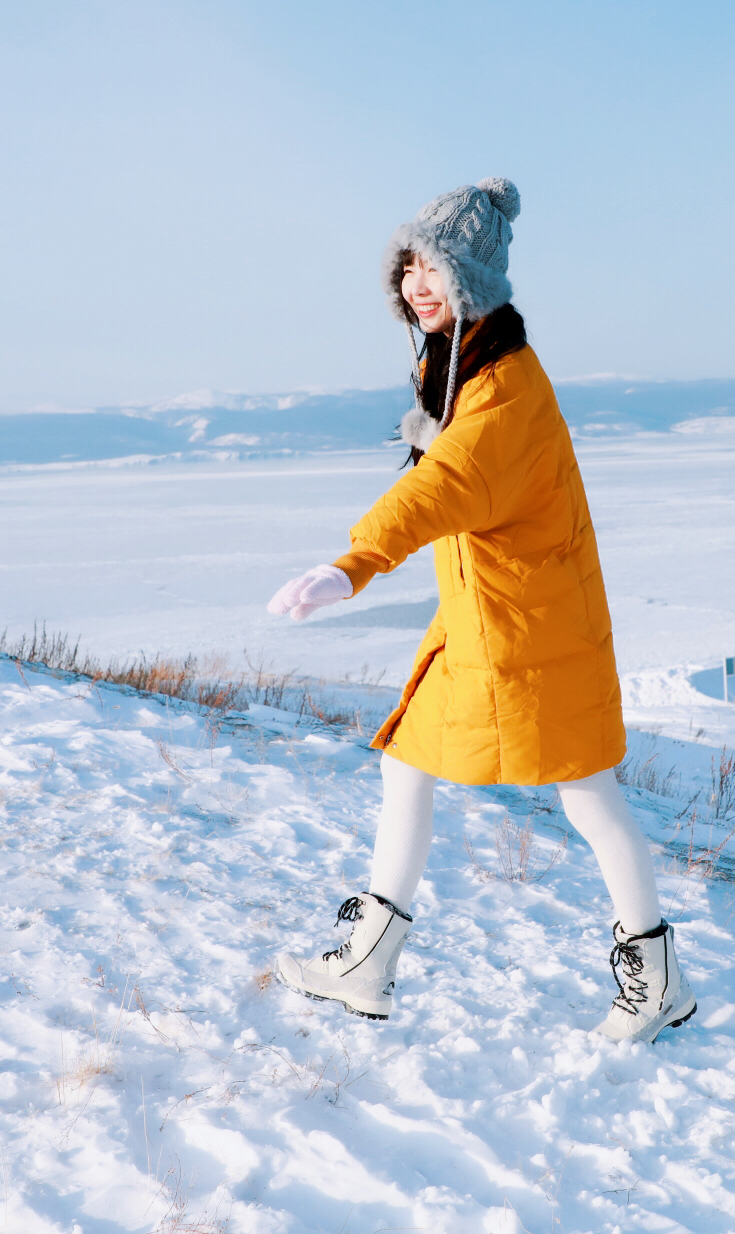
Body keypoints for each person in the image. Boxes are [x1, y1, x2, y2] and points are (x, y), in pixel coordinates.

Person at [265, 178, 696, 1043]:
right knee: (408, 762)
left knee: (588, 796)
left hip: (533, 628)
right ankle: (368, 964)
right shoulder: (460, 361)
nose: (421, 283)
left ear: (477, 283)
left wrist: (351, 565)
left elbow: (445, 486)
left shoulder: (503, 392)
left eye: (441, 269)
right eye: (413, 265)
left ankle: (656, 983)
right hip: (486, 620)